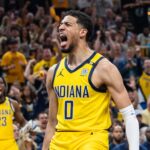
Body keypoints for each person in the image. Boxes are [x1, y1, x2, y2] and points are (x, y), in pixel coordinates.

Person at [42, 10, 139, 150]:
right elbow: (52, 123)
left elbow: (129, 115)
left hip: (92, 138)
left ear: (82, 32)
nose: (61, 27)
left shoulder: (104, 68)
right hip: (60, 140)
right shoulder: (53, 72)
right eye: (61, 25)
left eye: (67, 24)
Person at [0, 76, 35, 150]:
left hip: (10, 144)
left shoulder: (13, 103)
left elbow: (22, 121)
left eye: (1, 83)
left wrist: (31, 128)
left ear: (5, 86)